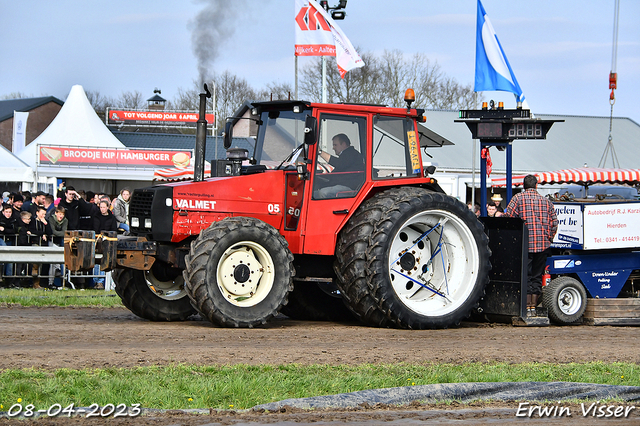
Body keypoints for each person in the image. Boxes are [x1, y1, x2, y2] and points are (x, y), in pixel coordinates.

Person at [504, 175, 558, 317]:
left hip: (524, 244)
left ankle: (526, 307)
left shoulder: (517, 199)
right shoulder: (546, 202)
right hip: (542, 245)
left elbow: (509, 218)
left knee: (526, 276)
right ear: (536, 185)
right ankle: (534, 306)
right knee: (537, 276)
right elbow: (554, 223)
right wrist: (549, 239)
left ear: (523, 186)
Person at [315, 133, 365, 199]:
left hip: (348, 187)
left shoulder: (351, 154)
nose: (333, 148)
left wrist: (320, 152)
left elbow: (339, 164)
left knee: (323, 193)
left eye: (335, 145)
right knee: (313, 194)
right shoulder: (346, 156)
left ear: (343, 144)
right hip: (341, 185)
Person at [92, 200, 117, 289]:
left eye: (104, 207)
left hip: (108, 240)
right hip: (98, 240)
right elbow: (95, 228)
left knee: (106, 259)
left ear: (107, 207)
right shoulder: (96, 216)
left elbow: (114, 229)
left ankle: (103, 281)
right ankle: (96, 281)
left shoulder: (112, 218)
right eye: (101, 207)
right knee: (97, 260)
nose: (102, 209)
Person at [49, 205, 68, 285]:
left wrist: (58, 234)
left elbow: (65, 232)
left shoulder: (65, 220)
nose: (61, 216)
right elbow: (52, 231)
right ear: (56, 213)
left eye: (63, 214)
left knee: (60, 263)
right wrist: (59, 234)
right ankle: (50, 282)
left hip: (60, 243)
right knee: (52, 263)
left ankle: (61, 282)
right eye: (60, 214)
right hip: (51, 242)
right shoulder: (51, 219)